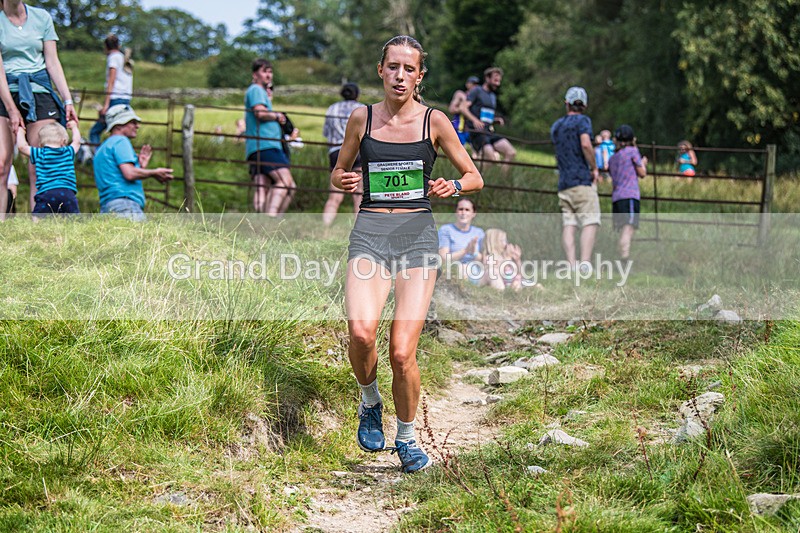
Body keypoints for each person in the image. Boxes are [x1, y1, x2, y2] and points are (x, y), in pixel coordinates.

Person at [330, 35, 483, 473]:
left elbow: (474, 176)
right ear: (381, 71)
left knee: (401, 351)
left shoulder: (434, 122)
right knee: (360, 332)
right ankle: (369, 401)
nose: (400, 76)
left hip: (416, 239)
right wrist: (341, 178)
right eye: (393, 67)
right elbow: (340, 169)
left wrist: (451, 185)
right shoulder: (361, 119)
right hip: (371, 235)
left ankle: (409, 438)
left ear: (420, 76)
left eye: (409, 69)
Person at [0, 0, 79, 211]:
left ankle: (39, 223)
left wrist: (67, 99)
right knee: (1, 165)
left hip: (39, 91)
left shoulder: (42, 17)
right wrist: (11, 108)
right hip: (5, 92)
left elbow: (52, 62)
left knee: (38, 165)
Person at [92, 104, 173, 221]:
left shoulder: (102, 148)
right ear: (119, 124)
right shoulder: (121, 141)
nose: (137, 126)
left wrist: (140, 167)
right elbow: (129, 173)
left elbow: (115, 175)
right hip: (125, 207)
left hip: (107, 208)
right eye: (132, 122)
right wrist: (154, 172)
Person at [551, 86, 600, 270]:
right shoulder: (583, 122)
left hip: (564, 182)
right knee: (590, 220)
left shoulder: (557, 126)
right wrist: (594, 167)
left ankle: (571, 264)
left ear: (567, 104)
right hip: (581, 179)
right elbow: (586, 144)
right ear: (584, 105)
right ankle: (585, 263)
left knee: (569, 223)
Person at [245, 59, 296, 216]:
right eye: (264, 71)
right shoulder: (256, 89)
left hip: (257, 146)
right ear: (255, 74)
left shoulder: (257, 91)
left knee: (263, 186)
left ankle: (261, 226)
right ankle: (272, 221)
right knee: (287, 183)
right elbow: (260, 113)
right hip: (267, 144)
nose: (268, 75)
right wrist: (278, 116)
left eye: (270, 71)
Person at [322, 82, 365, 226]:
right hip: (358, 152)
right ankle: (359, 229)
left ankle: (325, 227)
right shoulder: (362, 109)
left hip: (336, 152)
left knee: (334, 196)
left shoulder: (332, 108)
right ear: (357, 95)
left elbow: (326, 133)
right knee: (359, 195)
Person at [16, 120, 80, 215]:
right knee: (74, 219)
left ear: (41, 144)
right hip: (67, 192)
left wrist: (20, 131)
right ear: (63, 142)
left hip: (46, 193)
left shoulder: (39, 153)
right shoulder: (68, 152)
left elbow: (22, 147)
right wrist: (74, 127)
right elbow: (77, 142)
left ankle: (35, 227)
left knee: (38, 218)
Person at [459, 67, 516, 170]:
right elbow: (463, 108)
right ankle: (473, 175)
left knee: (511, 152)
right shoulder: (477, 91)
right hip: (477, 133)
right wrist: (474, 120)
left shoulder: (493, 96)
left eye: (499, 81)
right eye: (495, 80)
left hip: (489, 132)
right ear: (487, 78)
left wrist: (495, 120)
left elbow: (485, 117)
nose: (497, 84)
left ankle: (503, 182)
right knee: (491, 159)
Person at [608, 125, 647, 260]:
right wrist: (643, 163)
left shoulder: (612, 158)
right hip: (629, 195)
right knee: (628, 229)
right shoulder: (632, 151)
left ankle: (619, 258)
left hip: (617, 197)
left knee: (622, 229)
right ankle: (623, 260)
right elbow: (642, 173)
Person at [89, 34, 133, 153]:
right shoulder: (124, 58)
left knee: (95, 132)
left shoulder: (113, 57)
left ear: (106, 46)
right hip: (125, 99)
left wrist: (106, 105)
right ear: (119, 45)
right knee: (119, 131)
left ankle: (99, 158)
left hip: (115, 98)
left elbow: (111, 80)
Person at [437, 197, 484, 282]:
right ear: (456, 212)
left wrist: (474, 252)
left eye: (467, 210)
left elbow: (483, 259)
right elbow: (443, 258)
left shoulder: (479, 233)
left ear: (473, 213)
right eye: (460, 209)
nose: (463, 212)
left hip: (477, 270)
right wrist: (465, 251)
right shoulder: (446, 230)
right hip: (454, 268)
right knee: (463, 268)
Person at [448, 76, 479, 147]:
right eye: (473, 83)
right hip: (460, 128)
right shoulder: (461, 95)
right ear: (467, 84)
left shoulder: (478, 98)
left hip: (472, 130)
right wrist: (463, 109)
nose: (475, 86)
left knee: (477, 154)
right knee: (459, 153)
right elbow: (451, 109)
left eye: (476, 84)